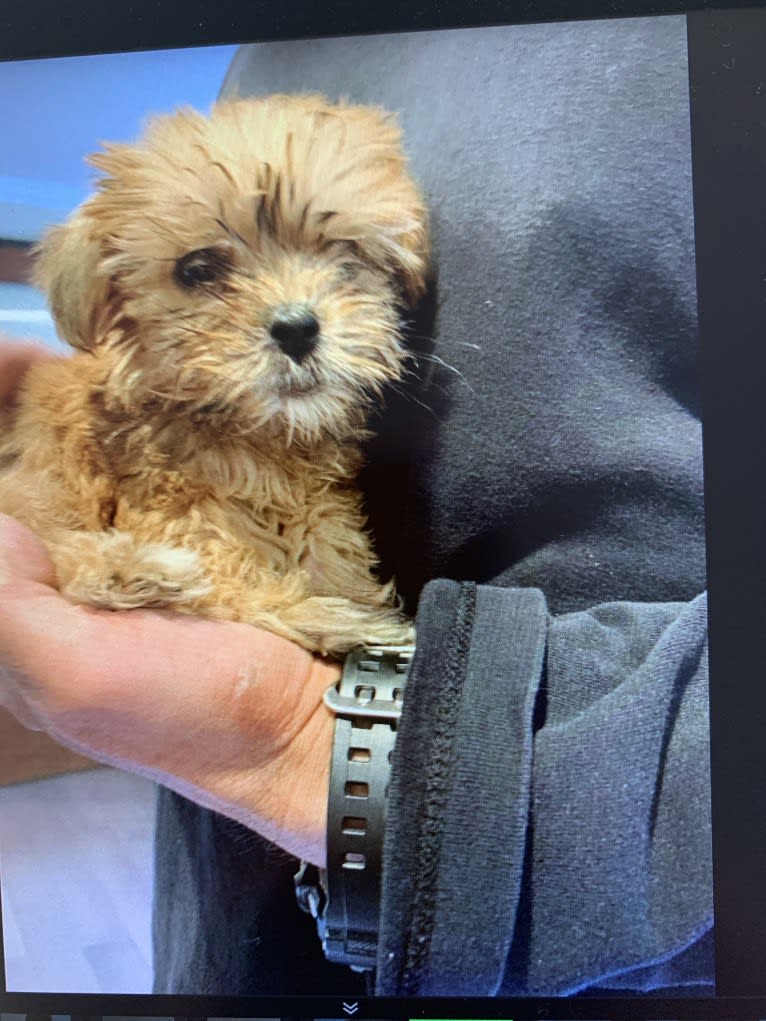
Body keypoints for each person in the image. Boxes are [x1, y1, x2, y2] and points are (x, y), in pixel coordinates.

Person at [0, 14, 712, 997]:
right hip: (243, 882)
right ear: (108, 298)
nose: (290, 307)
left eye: (344, 257)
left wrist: (311, 739)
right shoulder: (269, 53)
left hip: (600, 949)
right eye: (204, 270)